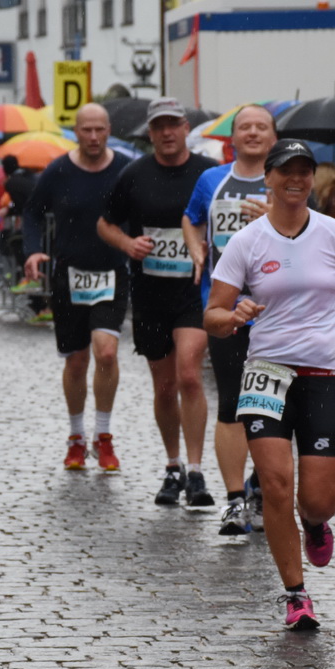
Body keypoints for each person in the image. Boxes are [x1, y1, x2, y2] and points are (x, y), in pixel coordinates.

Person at [206, 140, 335, 628]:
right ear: (269, 178)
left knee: (317, 499)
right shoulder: (247, 242)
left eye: (304, 171)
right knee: (278, 486)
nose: (296, 179)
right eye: (286, 171)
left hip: (325, 372)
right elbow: (213, 314)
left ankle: (316, 523)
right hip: (268, 374)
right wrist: (232, 314)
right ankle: (295, 595)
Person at [99, 97, 217, 507]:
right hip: (150, 293)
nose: (167, 133)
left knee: (188, 373)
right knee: (165, 386)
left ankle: (198, 470)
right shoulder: (134, 174)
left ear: (186, 128)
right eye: (159, 127)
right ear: (150, 134)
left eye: (173, 125)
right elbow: (105, 223)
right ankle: (173, 466)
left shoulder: (208, 173)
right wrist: (127, 243)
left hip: (193, 291)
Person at [182, 103, 276, 537]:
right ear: (231, 138)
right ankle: (236, 499)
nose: (253, 133)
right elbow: (190, 217)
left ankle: (261, 488)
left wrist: (273, 218)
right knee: (232, 402)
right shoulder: (211, 180)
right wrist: (197, 250)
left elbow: (308, 229)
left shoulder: (285, 182)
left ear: (273, 137)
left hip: (278, 313)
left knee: (274, 408)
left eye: (261, 127)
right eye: (245, 127)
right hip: (224, 309)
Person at [23, 103, 131, 472]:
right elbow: (32, 213)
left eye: (100, 130)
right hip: (69, 273)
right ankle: (75, 437)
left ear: (109, 129)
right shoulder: (58, 170)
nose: (94, 137)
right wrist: (34, 250)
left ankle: (103, 436)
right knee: (77, 359)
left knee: (105, 353)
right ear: (76, 131)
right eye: (87, 130)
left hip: (112, 271)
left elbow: (144, 207)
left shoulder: (124, 168)